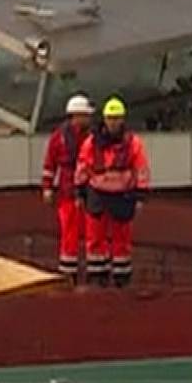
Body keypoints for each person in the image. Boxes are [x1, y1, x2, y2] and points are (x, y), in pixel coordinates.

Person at [75, 96, 151, 287]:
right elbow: (83, 165)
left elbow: (141, 169)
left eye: (117, 118)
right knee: (95, 236)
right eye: (110, 118)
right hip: (97, 192)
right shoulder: (92, 143)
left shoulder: (133, 143)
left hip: (122, 194)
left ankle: (121, 277)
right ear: (105, 119)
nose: (114, 122)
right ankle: (96, 276)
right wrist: (79, 190)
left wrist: (141, 194)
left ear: (123, 119)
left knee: (122, 238)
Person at [41, 93, 95, 280]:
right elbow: (50, 164)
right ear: (76, 115)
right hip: (67, 192)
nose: (88, 119)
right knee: (69, 233)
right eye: (85, 115)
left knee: (93, 232)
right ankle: (68, 272)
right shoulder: (59, 138)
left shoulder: (93, 137)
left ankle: (94, 270)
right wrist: (47, 188)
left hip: (90, 192)